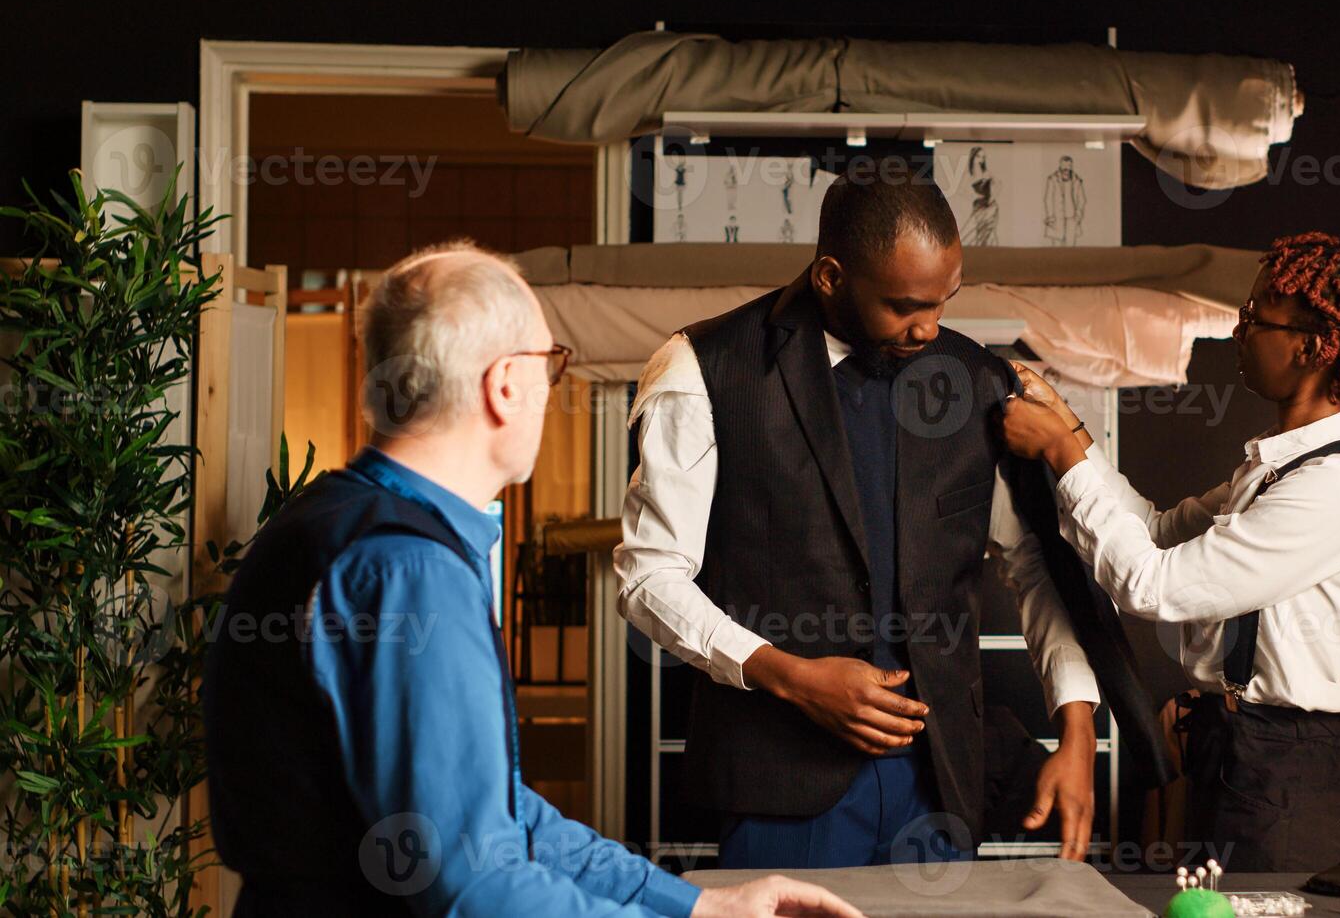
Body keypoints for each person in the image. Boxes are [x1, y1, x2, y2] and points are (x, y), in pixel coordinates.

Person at [204, 241, 861, 918]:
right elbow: (473, 886)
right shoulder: (411, 571)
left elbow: (503, 813)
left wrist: (698, 907)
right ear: (505, 384)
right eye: (550, 365)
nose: (551, 391)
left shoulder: (330, 519)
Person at [615, 173, 1101, 870]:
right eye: (905, 306)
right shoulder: (703, 369)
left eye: (944, 301)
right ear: (831, 276)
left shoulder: (976, 379)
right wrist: (788, 676)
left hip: (939, 783)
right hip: (781, 785)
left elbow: (1034, 563)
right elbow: (647, 576)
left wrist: (1076, 726)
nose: (930, 327)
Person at [1000, 231, 1340, 872]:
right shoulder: (1278, 470)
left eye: (1255, 319)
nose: (1238, 332)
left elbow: (1156, 585)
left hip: (1294, 771)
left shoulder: (1336, 485)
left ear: (1309, 346)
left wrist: (1061, 452)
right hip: (1242, 755)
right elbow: (1160, 530)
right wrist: (1075, 434)